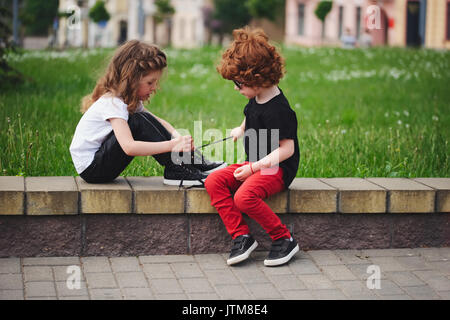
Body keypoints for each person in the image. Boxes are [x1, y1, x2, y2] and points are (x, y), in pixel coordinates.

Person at [204, 27, 300, 267]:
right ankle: (242, 236)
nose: (236, 88)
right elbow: (252, 114)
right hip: (255, 164)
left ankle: (284, 239)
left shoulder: (279, 110)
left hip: (275, 168)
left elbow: (287, 149)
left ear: (257, 79)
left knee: (244, 197)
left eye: (239, 83)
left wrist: (253, 168)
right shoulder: (256, 97)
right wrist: (241, 128)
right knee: (213, 181)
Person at [69, 40, 225, 186]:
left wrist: (178, 137)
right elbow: (129, 147)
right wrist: (172, 145)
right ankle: (176, 169)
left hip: (101, 163)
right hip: (93, 169)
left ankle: (193, 162)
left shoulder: (126, 101)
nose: (154, 88)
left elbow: (157, 122)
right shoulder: (113, 104)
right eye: (150, 82)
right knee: (138, 121)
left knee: (142, 118)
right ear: (131, 79)